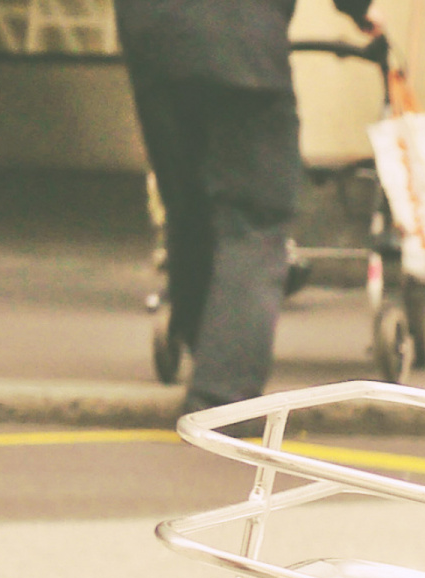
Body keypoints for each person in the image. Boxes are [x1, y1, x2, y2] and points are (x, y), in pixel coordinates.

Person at [115, 0, 373, 412]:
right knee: (256, 222)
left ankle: (207, 348)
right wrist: (359, 12)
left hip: (156, 47)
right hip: (243, 47)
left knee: (188, 209)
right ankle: (222, 397)